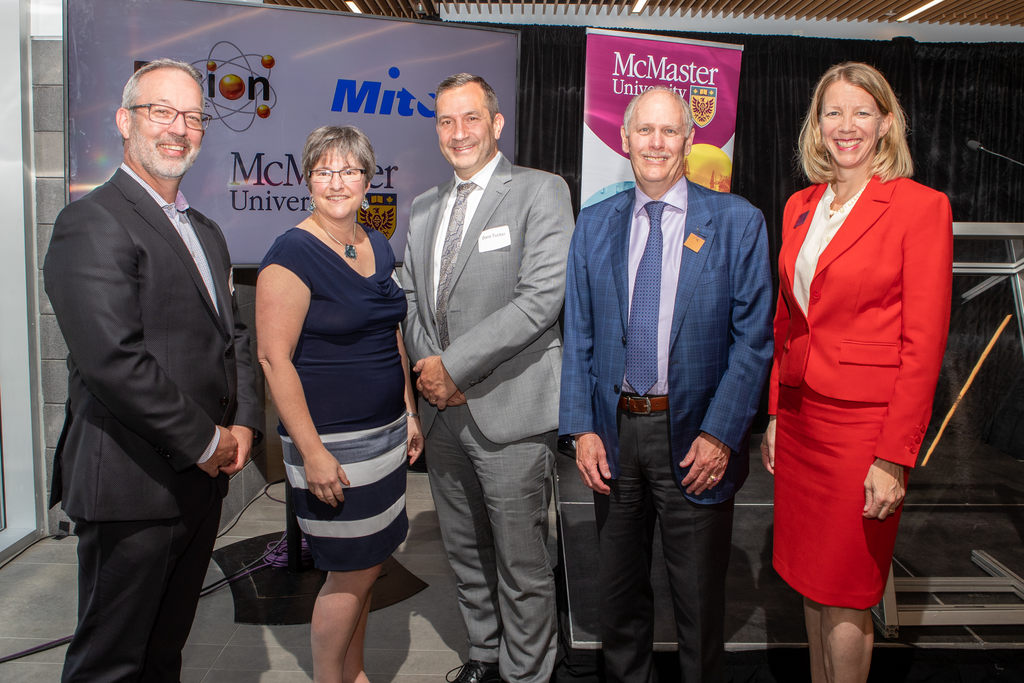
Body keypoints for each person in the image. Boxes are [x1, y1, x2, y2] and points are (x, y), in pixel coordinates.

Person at [43, 59, 261, 682]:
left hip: (199, 483)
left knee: (163, 654)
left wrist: (243, 424)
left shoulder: (207, 232)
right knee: (110, 664)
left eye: (192, 116)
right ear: (124, 120)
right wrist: (206, 439)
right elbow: (114, 361)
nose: (179, 129)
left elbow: (233, 338)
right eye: (161, 112)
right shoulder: (91, 222)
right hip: (130, 487)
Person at [559, 86, 774, 683]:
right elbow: (577, 332)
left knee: (698, 602)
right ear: (624, 140)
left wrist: (722, 434)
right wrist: (580, 428)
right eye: (644, 131)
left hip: (696, 439)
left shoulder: (737, 222)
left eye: (669, 131)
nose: (656, 143)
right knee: (620, 598)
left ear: (689, 140)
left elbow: (754, 341)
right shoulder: (595, 224)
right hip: (616, 433)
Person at [760, 62, 953, 683]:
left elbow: (923, 346)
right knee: (813, 587)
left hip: (863, 434)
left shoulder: (921, 208)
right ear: (816, 126)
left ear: (886, 123)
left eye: (861, 112)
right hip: (800, 421)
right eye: (833, 113)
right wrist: (773, 415)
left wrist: (894, 456)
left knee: (846, 590)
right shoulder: (800, 205)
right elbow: (786, 321)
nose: (846, 126)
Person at [401, 73, 574, 683]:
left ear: (497, 123)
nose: (459, 133)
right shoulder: (423, 208)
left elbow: (540, 300)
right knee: (466, 552)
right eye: (446, 121)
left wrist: (453, 367)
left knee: (522, 560)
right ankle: (484, 653)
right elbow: (412, 304)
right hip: (443, 412)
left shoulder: (539, 192)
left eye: (471, 118)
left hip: (511, 409)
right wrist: (431, 376)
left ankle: (528, 672)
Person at [256, 125, 423, 683]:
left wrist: (408, 410)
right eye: (325, 171)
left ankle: (354, 674)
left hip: (385, 437)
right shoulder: (291, 252)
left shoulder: (375, 242)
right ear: (307, 180)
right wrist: (312, 453)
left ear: (368, 180)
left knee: (370, 567)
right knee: (348, 574)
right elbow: (274, 361)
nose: (337, 182)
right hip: (331, 445)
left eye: (350, 171)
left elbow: (390, 335)